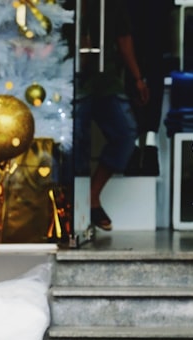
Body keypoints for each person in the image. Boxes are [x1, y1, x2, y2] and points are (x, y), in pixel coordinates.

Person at [75, 0, 149, 232]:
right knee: (74, 141)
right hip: (71, 78)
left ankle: (91, 196)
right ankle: (72, 208)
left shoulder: (112, 4)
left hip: (105, 79)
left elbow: (124, 39)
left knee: (125, 134)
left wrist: (137, 78)